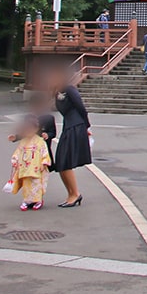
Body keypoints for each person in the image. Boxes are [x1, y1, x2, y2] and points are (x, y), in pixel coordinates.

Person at [53, 78, 91, 207]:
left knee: (65, 160)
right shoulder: (57, 93)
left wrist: (87, 126)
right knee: (61, 162)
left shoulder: (69, 89)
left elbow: (81, 107)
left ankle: (75, 194)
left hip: (76, 126)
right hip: (68, 127)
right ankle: (71, 194)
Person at [8, 116, 52, 211]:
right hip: (25, 166)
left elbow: (45, 152)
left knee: (36, 183)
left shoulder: (40, 141)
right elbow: (18, 152)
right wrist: (15, 160)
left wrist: (43, 163)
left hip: (36, 166)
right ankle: (27, 200)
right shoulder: (23, 141)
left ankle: (37, 200)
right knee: (26, 183)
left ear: (36, 129)